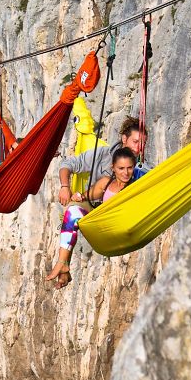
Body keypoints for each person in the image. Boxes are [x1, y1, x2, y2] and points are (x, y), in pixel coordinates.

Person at [46, 116, 149, 289]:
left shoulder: (141, 172)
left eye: (143, 144)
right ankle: (63, 263)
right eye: (136, 141)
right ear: (124, 139)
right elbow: (69, 165)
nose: (139, 148)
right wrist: (67, 187)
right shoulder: (102, 156)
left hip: (120, 224)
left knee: (75, 212)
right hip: (97, 214)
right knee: (72, 211)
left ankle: (63, 265)